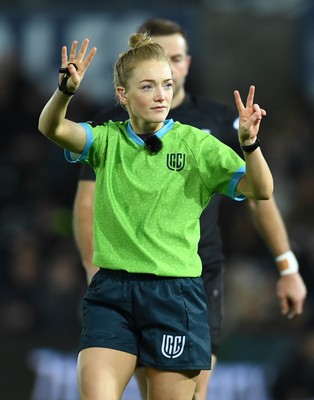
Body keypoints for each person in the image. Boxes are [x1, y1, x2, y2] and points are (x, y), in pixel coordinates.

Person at [72, 18, 307, 400]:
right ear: (126, 86)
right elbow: (86, 201)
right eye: (158, 63)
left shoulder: (214, 125)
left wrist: (287, 264)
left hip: (193, 277)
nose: (170, 70)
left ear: (186, 64)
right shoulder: (109, 130)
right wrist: (91, 266)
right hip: (120, 277)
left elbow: (258, 195)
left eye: (176, 59)